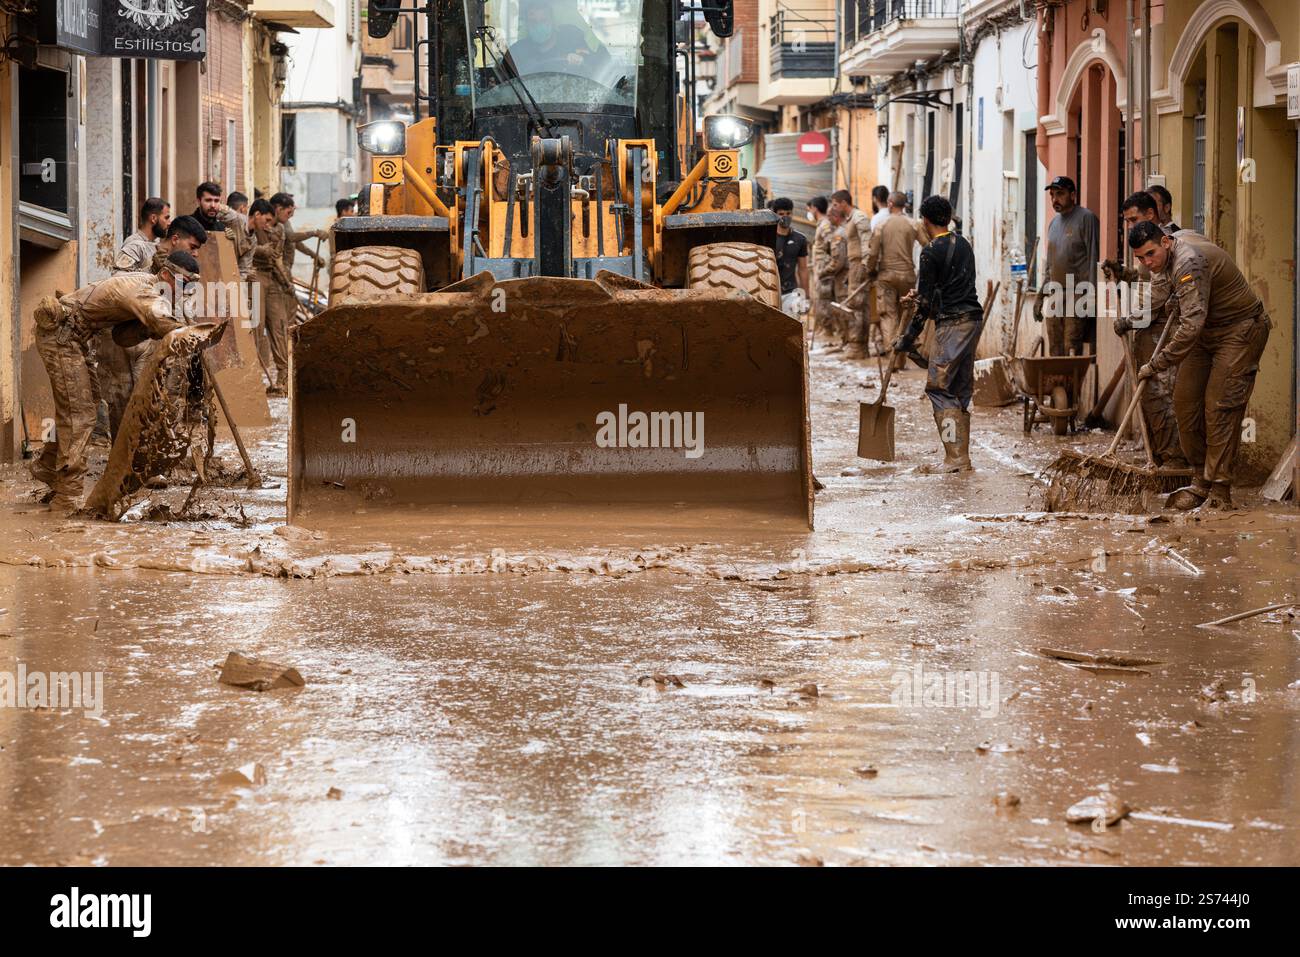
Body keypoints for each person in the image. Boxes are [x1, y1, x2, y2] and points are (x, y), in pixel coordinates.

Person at [28, 251, 199, 511]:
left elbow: (122, 338)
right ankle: (68, 496)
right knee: (81, 413)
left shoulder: (149, 289)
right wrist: (193, 332)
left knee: (84, 406)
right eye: (184, 284)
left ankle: (48, 467)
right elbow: (162, 320)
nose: (185, 292)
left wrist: (148, 330)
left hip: (74, 338)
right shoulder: (145, 291)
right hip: (61, 334)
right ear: (166, 276)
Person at [1128, 221, 1270, 509]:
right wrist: (1134, 319)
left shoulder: (1188, 261)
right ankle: (1199, 480)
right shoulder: (1163, 255)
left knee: (1219, 407)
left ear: (1166, 242)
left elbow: (1190, 326)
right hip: (1205, 332)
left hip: (1239, 329)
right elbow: (1159, 299)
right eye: (1140, 258)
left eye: (1150, 254)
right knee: (1185, 403)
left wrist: (1156, 364)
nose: (1147, 262)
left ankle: (1219, 491)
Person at [893, 195, 983, 473]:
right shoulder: (964, 243)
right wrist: (919, 296)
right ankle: (961, 457)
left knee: (939, 388)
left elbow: (927, 306)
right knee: (959, 388)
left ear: (925, 220)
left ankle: (955, 457)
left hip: (953, 323)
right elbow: (946, 287)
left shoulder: (930, 251)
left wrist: (909, 336)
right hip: (973, 320)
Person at [1107, 191, 1189, 469]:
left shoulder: (1169, 243)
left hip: (1163, 331)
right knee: (1150, 398)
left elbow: (1159, 295)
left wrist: (1130, 320)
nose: (1130, 226)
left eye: (1134, 219)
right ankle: (1159, 458)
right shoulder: (1147, 246)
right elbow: (1145, 280)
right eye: (1127, 221)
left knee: (1160, 397)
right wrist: (1121, 273)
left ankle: (1173, 462)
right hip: (1148, 329)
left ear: (1151, 214)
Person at [1039, 175, 1100, 357]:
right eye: (1052, 195)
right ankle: (1057, 385)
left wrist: (1091, 297)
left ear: (1073, 195)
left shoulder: (1086, 218)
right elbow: (1050, 264)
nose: (1055, 199)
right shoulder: (1054, 223)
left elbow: (1093, 258)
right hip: (1055, 293)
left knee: (1071, 347)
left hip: (1077, 292)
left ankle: (1072, 386)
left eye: (1060, 194)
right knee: (1055, 347)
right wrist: (1040, 296)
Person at [866, 191, 925, 348]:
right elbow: (927, 246)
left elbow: (873, 253)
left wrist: (870, 270)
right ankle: (901, 360)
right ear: (904, 205)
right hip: (908, 276)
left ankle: (893, 357)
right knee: (905, 315)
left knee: (889, 315)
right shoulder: (914, 224)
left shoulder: (881, 225)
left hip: (886, 277)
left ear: (890, 204)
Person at [251, 198, 296, 394]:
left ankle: (283, 379)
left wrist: (287, 282)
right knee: (255, 327)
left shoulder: (279, 230)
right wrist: (261, 250)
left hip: (274, 280)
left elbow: (276, 258)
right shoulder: (251, 228)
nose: (268, 225)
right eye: (266, 220)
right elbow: (243, 251)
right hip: (255, 278)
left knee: (280, 326)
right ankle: (252, 379)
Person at [507, 1, 608, 76]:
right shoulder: (516, 52)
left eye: (543, 20)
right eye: (533, 22)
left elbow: (601, 64)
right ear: (527, 25)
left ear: (552, 21)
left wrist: (582, 60)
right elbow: (502, 81)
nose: (538, 26)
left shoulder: (572, 40)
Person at [828, 189, 872, 355]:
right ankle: (857, 346)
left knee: (857, 305)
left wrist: (866, 265)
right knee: (855, 304)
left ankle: (857, 347)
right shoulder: (850, 219)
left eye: (835, 204)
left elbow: (867, 242)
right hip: (854, 265)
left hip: (859, 265)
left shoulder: (859, 217)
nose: (834, 208)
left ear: (844, 203)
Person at [769, 198, 809, 317]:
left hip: (791, 293)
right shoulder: (767, 237)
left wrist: (806, 295)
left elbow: (803, 269)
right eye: (781, 214)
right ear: (775, 214)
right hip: (770, 292)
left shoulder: (800, 239)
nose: (785, 217)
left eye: (788, 213)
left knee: (792, 328)